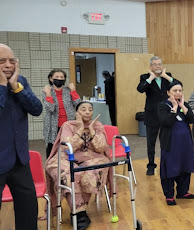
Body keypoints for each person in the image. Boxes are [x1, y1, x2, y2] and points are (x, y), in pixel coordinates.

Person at [45, 101, 112, 230]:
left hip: (93, 157)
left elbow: (101, 148)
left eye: (90, 109)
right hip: (66, 157)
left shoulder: (97, 125)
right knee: (67, 173)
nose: (87, 112)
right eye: (83, 109)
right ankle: (79, 212)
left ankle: (78, 212)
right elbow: (68, 148)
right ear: (77, 113)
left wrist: (91, 131)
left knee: (91, 172)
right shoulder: (68, 125)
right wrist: (80, 129)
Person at [0, 43, 42, 230]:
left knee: (28, 208)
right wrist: (2, 86)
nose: (8, 65)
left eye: (11, 60)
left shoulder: (21, 82)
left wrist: (16, 88)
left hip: (19, 159)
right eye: (1, 61)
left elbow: (36, 109)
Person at [137, 56, 178, 176]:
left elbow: (177, 85)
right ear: (150, 66)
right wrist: (151, 78)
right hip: (151, 115)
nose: (158, 66)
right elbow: (140, 89)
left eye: (159, 64)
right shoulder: (145, 77)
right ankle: (151, 165)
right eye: (155, 64)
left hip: (166, 113)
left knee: (167, 140)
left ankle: (167, 163)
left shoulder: (167, 75)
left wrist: (165, 76)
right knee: (151, 142)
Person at [158, 81, 194, 205]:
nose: (178, 93)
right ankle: (169, 195)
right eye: (175, 91)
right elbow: (166, 122)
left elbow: (192, 119)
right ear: (168, 92)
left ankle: (182, 191)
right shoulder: (163, 106)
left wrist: (183, 107)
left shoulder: (184, 105)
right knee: (170, 167)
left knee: (185, 166)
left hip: (185, 143)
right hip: (170, 143)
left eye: (180, 90)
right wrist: (174, 108)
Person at [43, 69, 81, 158]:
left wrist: (73, 91)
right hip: (53, 125)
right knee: (52, 148)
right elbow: (51, 108)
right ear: (51, 79)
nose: (59, 79)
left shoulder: (68, 90)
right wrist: (48, 94)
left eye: (61, 77)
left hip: (69, 124)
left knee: (69, 146)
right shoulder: (47, 91)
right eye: (56, 77)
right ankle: (51, 168)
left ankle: (69, 168)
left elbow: (78, 104)